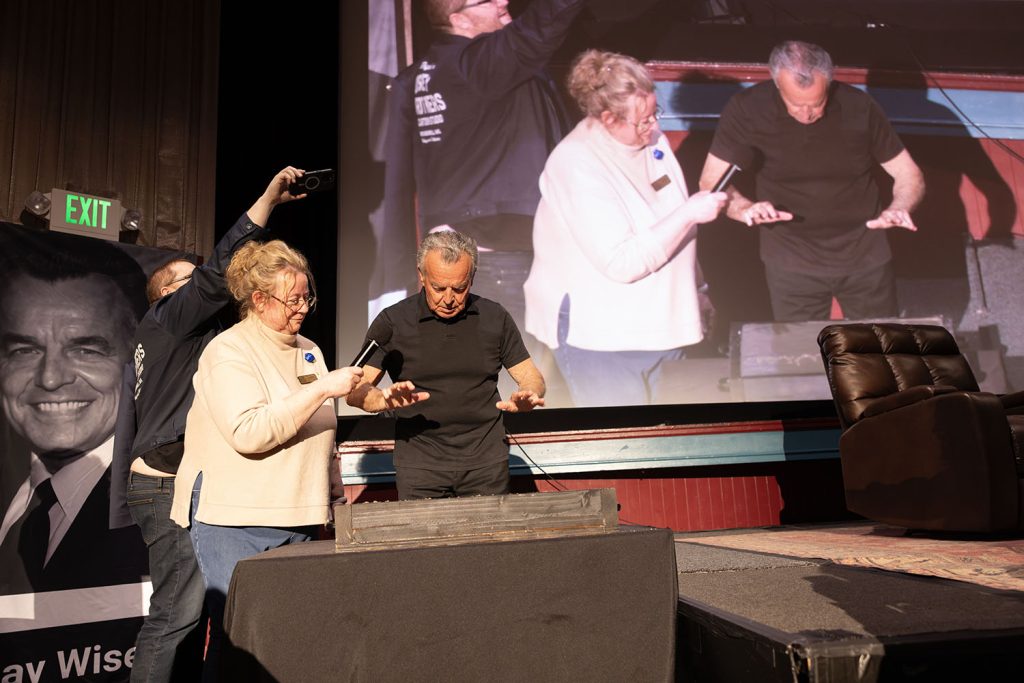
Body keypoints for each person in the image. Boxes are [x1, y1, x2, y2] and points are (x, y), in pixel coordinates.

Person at [112, 167, 306, 683]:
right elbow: (217, 275)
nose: (204, 289)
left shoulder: (188, 339)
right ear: (166, 296)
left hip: (176, 480)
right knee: (176, 615)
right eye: (186, 281)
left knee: (206, 615)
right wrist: (266, 203)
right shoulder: (167, 321)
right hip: (166, 484)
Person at [168, 240, 362, 682]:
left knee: (288, 637)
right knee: (241, 640)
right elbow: (249, 432)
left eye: (306, 297)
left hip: (298, 514)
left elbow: (318, 422)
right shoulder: (228, 350)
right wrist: (322, 388)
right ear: (258, 299)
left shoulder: (308, 348)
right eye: (292, 299)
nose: (302, 309)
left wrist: (330, 479)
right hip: (236, 520)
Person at [522, 50, 727, 407]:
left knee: (674, 446)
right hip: (604, 337)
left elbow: (672, 213)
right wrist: (691, 214)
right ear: (607, 118)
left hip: (664, 324)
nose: (652, 127)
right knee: (625, 447)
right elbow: (622, 262)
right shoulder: (576, 163)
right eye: (642, 121)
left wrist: (699, 286)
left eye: (654, 114)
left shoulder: (652, 140)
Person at [377, 0, 586, 332]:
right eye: (486, 0)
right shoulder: (477, 63)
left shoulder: (414, 79)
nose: (503, 1)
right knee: (519, 378)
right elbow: (544, 23)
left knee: (477, 376)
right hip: (500, 259)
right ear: (458, 19)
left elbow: (399, 186)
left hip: (458, 257)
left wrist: (397, 273)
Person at [698, 40, 926, 322]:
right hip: (790, 258)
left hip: (864, 254)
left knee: (878, 348)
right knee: (800, 355)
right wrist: (745, 208)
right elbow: (712, 182)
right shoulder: (747, 109)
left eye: (816, 104)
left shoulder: (859, 107)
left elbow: (908, 175)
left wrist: (899, 207)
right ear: (777, 85)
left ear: (828, 85)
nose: (806, 114)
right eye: (795, 104)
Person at [347, 230, 545, 500]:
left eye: (459, 288)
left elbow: (531, 377)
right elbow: (355, 391)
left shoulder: (494, 317)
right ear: (421, 276)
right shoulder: (393, 322)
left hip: (485, 464)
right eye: (439, 288)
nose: (449, 299)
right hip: (421, 466)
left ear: (471, 279)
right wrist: (382, 400)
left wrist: (530, 395)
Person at [0, 237, 148, 595]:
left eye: (85, 349)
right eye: (24, 349)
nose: (50, 378)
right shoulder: (11, 488)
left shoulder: (158, 514)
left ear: (136, 364)